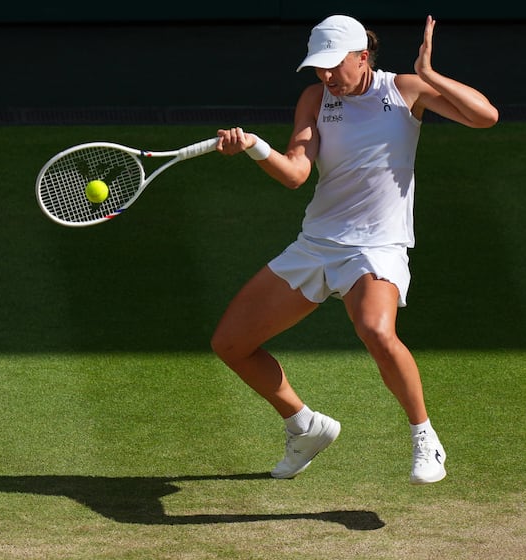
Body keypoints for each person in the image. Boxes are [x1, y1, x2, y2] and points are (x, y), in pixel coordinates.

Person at [211, 14, 498, 484]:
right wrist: (254, 147)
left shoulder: (404, 90)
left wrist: (429, 76)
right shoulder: (315, 99)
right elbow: (295, 174)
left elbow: (486, 117)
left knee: (376, 330)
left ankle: (425, 437)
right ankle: (305, 427)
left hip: (378, 245)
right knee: (230, 344)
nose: (325, 77)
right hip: (318, 244)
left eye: (333, 66)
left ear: (362, 56)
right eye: (318, 68)